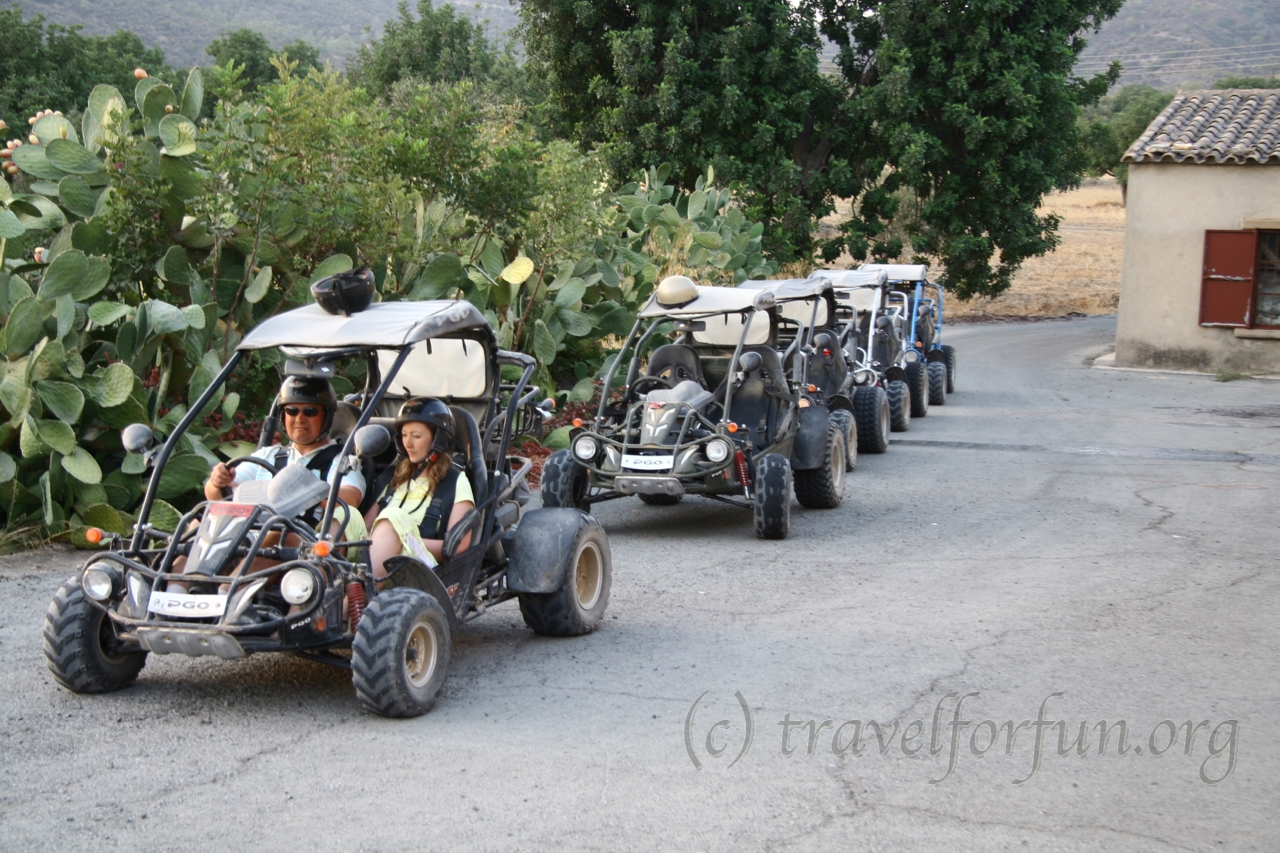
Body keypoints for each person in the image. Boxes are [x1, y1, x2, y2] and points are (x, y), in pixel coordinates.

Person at [203, 375, 366, 539]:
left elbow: (350, 499)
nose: (299, 419)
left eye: (310, 411)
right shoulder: (267, 456)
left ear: (327, 416)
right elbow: (219, 497)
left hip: (295, 547)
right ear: (283, 416)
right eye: (292, 410)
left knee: (277, 535)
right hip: (246, 538)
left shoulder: (341, 461)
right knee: (199, 525)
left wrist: (301, 491)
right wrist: (218, 481)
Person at [364, 397, 475, 583]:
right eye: (404, 435)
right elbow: (364, 528)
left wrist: (398, 540)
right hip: (375, 557)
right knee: (345, 514)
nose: (408, 443)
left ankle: (350, 607)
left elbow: (458, 546)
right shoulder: (392, 477)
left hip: (423, 569)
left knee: (393, 517)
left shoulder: (455, 482)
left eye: (416, 436)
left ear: (438, 439)